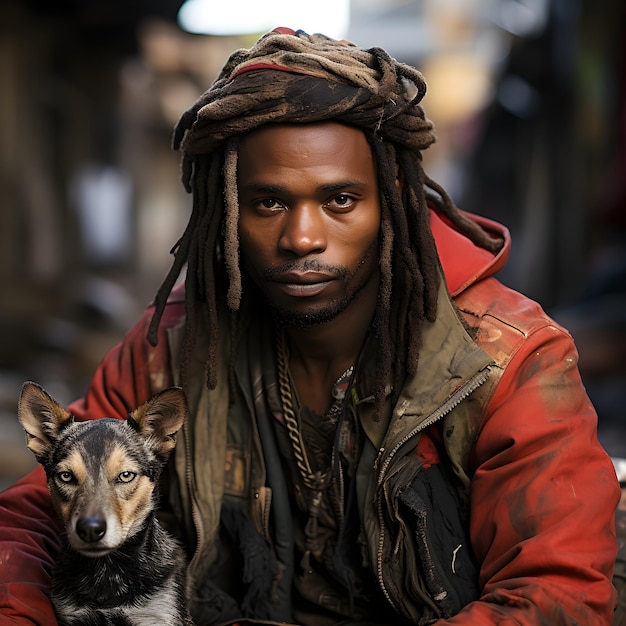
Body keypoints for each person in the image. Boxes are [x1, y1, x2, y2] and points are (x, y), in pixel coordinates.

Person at [0, 27, 620, 626]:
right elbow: (31, 520)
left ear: (395, 202)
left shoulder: (507, 362)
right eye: (269, 202)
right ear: (227, 215)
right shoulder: (172, 348)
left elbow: (554, 598)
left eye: (339, 201)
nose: (302, 238)